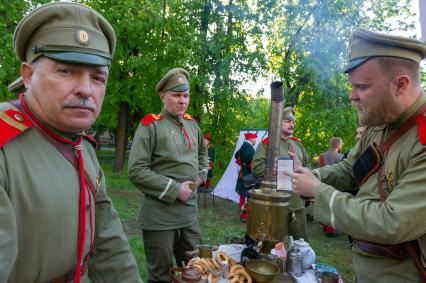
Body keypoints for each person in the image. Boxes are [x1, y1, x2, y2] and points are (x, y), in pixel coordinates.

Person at [0, 3, 143, 283]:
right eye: (66, 71)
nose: (85, 89)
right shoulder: (6, 148)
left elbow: (108, 243)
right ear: (28, 76)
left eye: (97, 77)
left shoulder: (82, 147)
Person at [286, 28, 426, 282]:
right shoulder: (381, 122)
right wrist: (311, 175)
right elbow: (351, 169)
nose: (352, 96)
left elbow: (391, 222)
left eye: (361, 86)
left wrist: (317, 190)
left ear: (400, 85)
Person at [128, 67, 208, 283]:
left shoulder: (193, 125)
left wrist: (201, 175)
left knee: (196, 270)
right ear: (163, 97)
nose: (182, 101)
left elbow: (203, 153)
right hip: (160, 217)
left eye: (186, 95)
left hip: (189, 215)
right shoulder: (150, 126)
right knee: (161, 276)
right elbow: (136, 171)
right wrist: (175, 189)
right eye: (176, 95)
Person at [252, 107, 310, 241]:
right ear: (278, 123)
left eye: (293, 122)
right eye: (287, 121)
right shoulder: (267, 144)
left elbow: (307, 166)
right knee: (272, 241)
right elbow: (256, 167)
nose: (292, 124)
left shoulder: (298, 144)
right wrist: (271, 170)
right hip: (275, 202)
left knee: (301, 242)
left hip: (296, 203)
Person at [317, 137, 343, 236]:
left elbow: (318, 169)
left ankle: (325, 226)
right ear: (338, 145)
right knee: (333, 207)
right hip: (335, 185)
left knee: (325, 205)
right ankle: (330, 230)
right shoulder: (340, 157)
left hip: (323, 183)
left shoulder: (322, 156)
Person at [234, 132, 258, 222]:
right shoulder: (248, 147)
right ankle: (245, 216)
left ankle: (243, 214)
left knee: (242, 195)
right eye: (254, 138)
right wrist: (249, 162)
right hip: (247, 174)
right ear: (251, 139)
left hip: (242, 173)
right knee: (248, 195)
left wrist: (243, 163)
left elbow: (237, 155)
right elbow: (246, 157)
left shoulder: (244, 145)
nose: (255, 140)